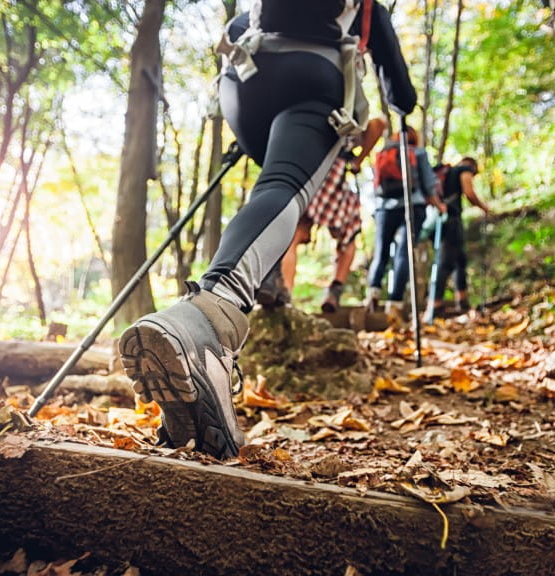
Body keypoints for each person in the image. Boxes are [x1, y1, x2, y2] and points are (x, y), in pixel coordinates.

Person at [118, 1, 417, 460]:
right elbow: (401, 95)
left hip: (243, 80)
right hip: (311, 78)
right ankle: (211, 321)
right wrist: (398, 102)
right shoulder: (367, 8)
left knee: (271, 186)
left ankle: (265, 285)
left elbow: (239, 25)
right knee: (284, 187)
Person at [258, 116, 387, 313]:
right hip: (334, 174)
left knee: (292, 236)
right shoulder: (345, 112)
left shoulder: (303, 117)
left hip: (304, 172)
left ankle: (284, 293)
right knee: (348, 236)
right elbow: (379, 123)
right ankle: (334, 291)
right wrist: (358, 160)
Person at [364, 126, 443, 323]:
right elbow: (428, 184)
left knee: (381, 252)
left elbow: (374, 186)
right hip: (412, 206)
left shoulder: (383, 153)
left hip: (384, 208)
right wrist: (439, 205)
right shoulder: (418, 153)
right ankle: (395, 303)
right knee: (404, 253)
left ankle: (372, 292)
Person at [423, 156, 490, 321]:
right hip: (450, 219)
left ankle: (462, 301)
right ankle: (435, 305)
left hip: (440, 220)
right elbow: (469, 192)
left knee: (460, 259)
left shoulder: (445, 173)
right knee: (445, 262)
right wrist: (484, 207)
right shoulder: (463, 170)